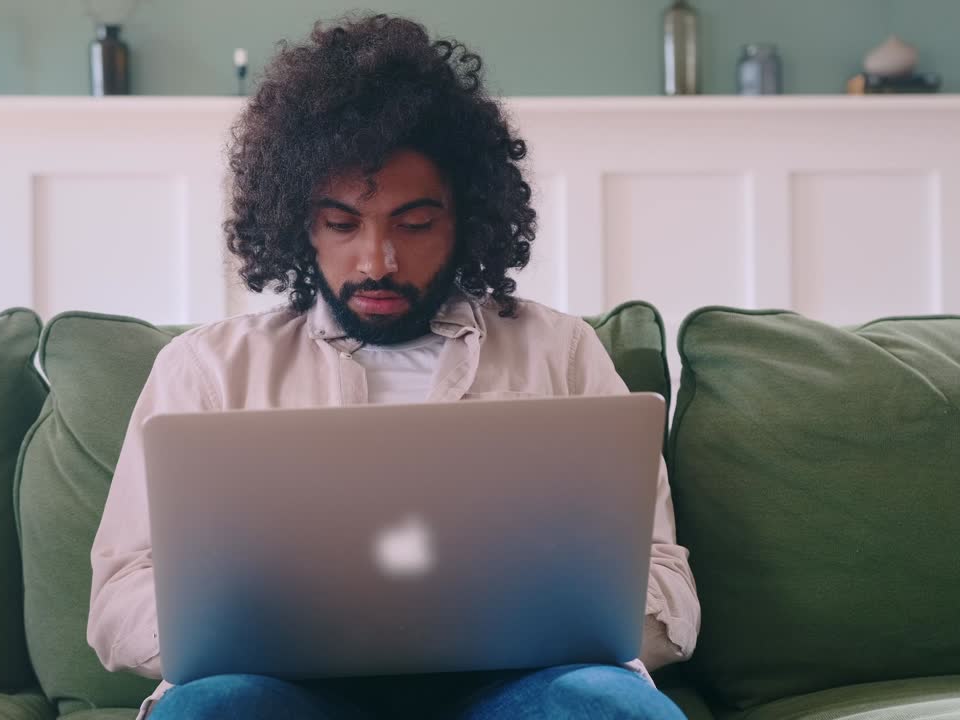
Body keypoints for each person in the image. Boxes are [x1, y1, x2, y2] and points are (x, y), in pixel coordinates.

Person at [88, 13, 699, 719]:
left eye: (414, 224)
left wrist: (530, 620)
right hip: (283, 688)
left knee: (607, 707)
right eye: (343, 224)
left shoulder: (559, 351)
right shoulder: (206, 369)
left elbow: (663, 577)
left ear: (467, 219)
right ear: (297, 223)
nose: (378, 260)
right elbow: (120, 592)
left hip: (518, 687)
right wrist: (269, 630)